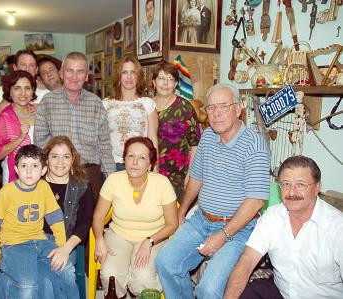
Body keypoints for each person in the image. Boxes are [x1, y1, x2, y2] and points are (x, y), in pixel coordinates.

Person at [155, 83, 271, 299]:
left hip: (238, 229)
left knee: (209, 289)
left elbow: (255, 200)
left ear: (238, 109)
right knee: (166, 263)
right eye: (211, 108)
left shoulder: (254, 145)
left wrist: (223, 235)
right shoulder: (207, 136)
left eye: (223, 106)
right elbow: (196, 177)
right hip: (201, 219)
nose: (216, 113)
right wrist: (182, 211)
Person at [224, 155, 343, 299]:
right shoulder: (272, 216)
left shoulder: (337, 227)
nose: (292, 192)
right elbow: (247, 260)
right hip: (281, 294)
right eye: (286, 184)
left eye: (300, 185)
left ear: (317, 187)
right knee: (252, 290)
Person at [0, 144, 79, 299]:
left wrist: (61, 246)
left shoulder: (43, 187)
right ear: (16, 169)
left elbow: (55, 217)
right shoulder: (7, 192)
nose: (29, 171)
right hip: (14, 244)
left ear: (43, 170)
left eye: (35, 166)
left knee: (67, 270)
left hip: (40, 241)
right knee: (28, 285)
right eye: (24, 166)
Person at [93, 136, 178, 298]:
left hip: (154, 237)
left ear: (150, 164)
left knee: (142, 278)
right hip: (119, 235)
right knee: (110, 274)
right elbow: (98, 217)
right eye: (130, 156)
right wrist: (99, 238)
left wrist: (150, 240)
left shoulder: (162, 183)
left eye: (142, 157)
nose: (135, 162)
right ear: (124, 159)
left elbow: (172, 224)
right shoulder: (113, 180)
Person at [34, 51, 115, 201]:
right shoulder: (47, 102)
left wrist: (112, 181)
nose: (74, 76)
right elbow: (40, 142)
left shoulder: (96, 103)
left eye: (80, 72)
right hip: (58, 175)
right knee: (57, 222)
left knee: (93, 221)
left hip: (91, 175)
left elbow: (104, 145)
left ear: (86, 76)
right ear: (62, 73)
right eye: (70, 71)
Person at [41, 136, 94, 293]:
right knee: (45, 280)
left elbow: (85, 222)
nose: (60, 162)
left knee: (58, 276)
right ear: (47, 159)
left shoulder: (82, 185)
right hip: (37, 241)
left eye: (66, 157)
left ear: (73, 159)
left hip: (66, 241)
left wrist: (65, 249)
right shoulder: (35, 182)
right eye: (55, 156)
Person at [103, 56, 158, 171]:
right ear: (119, 76)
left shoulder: (147, 104)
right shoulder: (105, 105)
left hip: (139, 165)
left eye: (133, 72)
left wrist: (154, 166)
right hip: (111, 165)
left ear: (138, 76)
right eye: (124, 72)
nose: (129, 77)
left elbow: (152, 138)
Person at [153, 62, 198, 200]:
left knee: (174, 219)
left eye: (170, 79)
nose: (165, 83)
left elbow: (195, 145)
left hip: (177, 177)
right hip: (149, 175)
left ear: (176, 84)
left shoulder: (185, 108)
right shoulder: (146, 105)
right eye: (161, 78)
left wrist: (190, 176)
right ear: (154, 82)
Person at [0, 70, 37, 185]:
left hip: (40, 174)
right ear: (10, 92)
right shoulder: (4, 117)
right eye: (17, 88)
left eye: (27, 88)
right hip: (14, 175)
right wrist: (20, 138)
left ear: (33, 91)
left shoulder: (39, 112)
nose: (23, 93)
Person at [0, 49, 48, 114]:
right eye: (23, 65)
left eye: (31, 65)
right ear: (15, 68)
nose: (27, 69)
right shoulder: (3, 91)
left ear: (36, 69)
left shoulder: (47, 90)